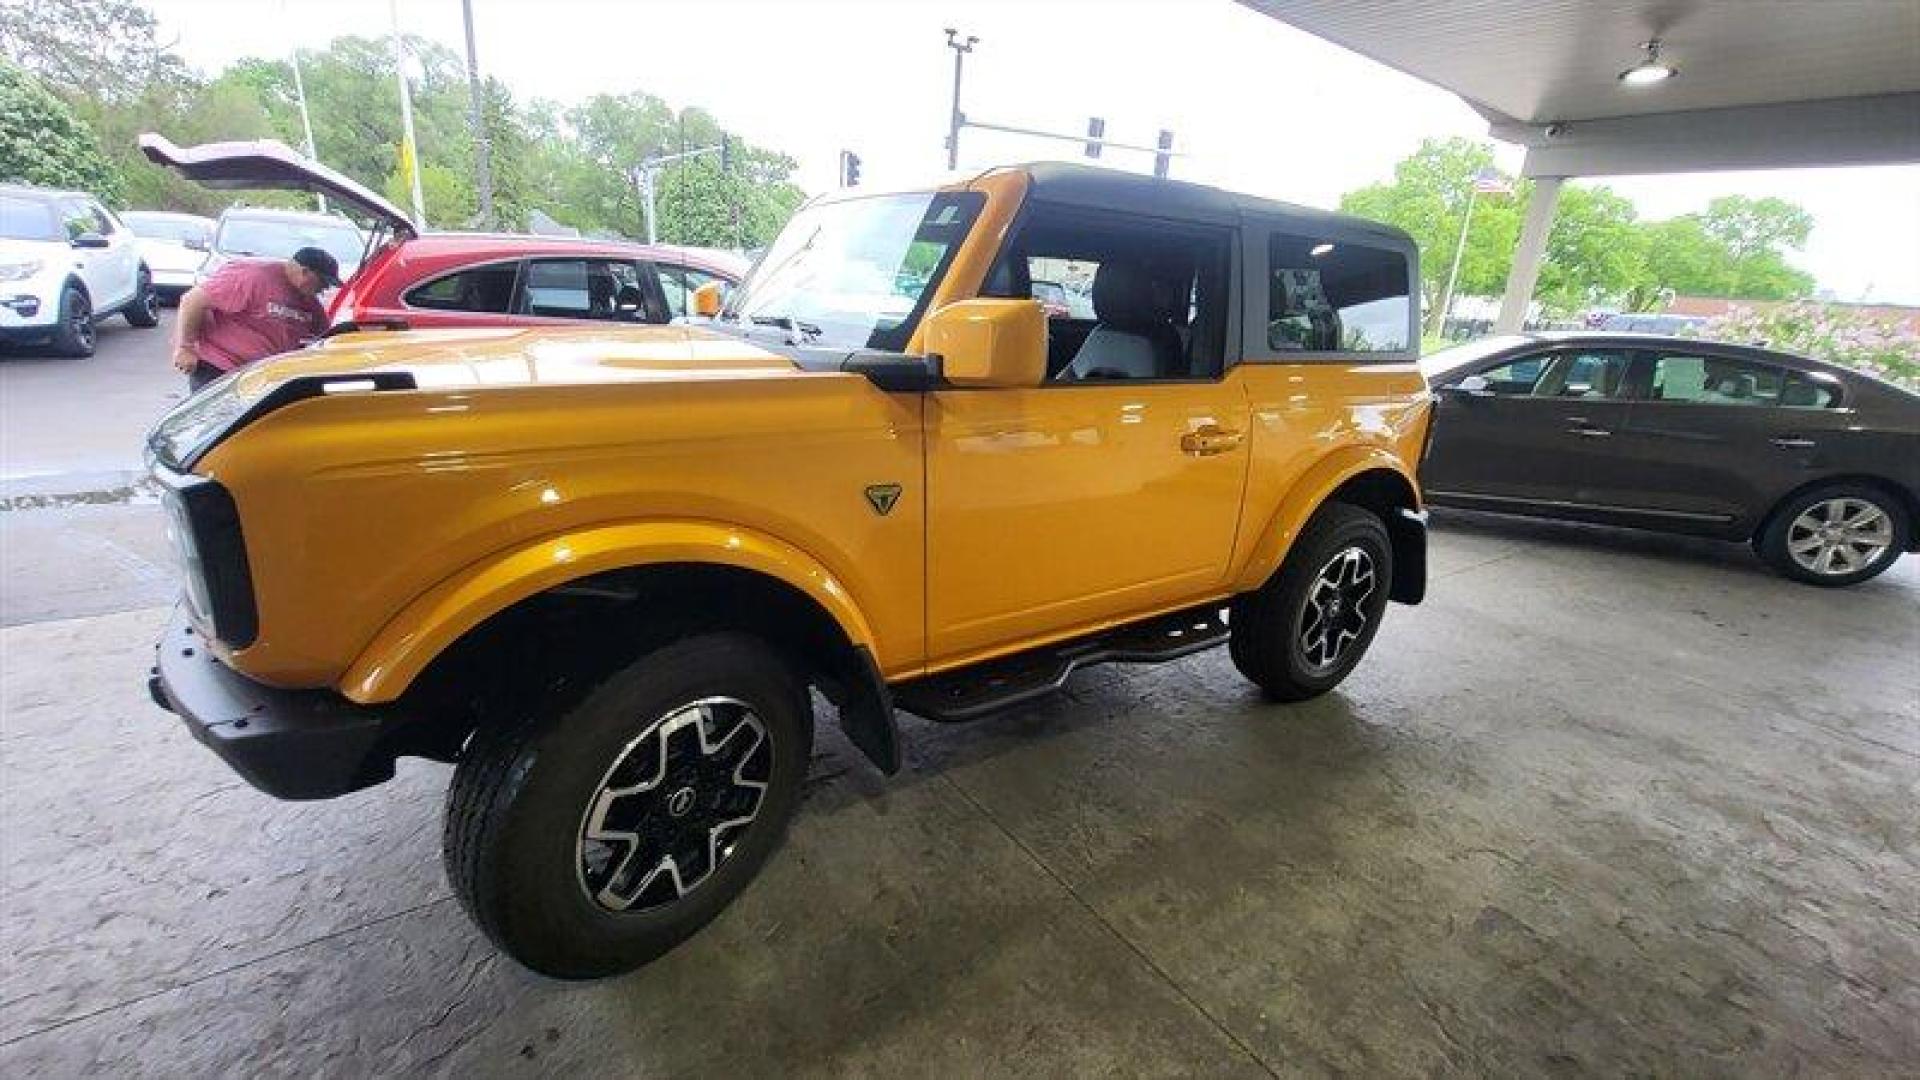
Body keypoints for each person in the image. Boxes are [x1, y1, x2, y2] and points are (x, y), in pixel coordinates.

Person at [171, 247, 339, 391]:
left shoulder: (308, 300)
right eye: (323, 283)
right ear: (305, 272)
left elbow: (327, 336)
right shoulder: (252, 276)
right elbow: (192, 301)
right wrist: (185, 347)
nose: (324, 289)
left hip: (262, 376)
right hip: (220, 369)